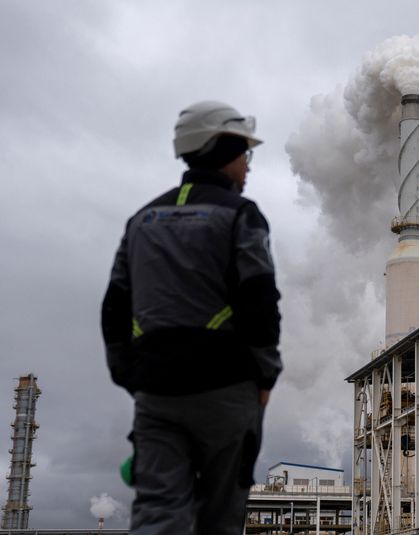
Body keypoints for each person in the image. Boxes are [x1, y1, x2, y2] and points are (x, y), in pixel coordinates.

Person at [101, 101, 282, 535]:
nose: (248, 167)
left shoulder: (140, 220)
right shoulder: (241, 216)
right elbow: (259, 301)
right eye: (245, 155)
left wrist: (131, 374)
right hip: (227, 388)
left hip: (156, 392)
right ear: (222, 150)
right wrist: (265, 377)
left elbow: (114, 307)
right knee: (220, 516)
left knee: (158, 511)